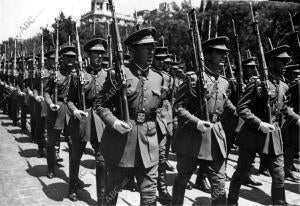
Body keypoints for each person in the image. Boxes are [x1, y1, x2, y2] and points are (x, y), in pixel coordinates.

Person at [94, 27, 163, 205]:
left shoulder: (158, 77)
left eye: (152, 47)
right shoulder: (117, 74)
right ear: (132, 50)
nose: (151, 51)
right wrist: (114, 122)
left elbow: (159, 108)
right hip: (121, 143)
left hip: (148, 142)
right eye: (146, 47)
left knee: (149, 196)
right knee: (112, 191)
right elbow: (100, 104)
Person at [228, 45, 300, 205]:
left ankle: (279, 203)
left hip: (273, 135)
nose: (286, 64)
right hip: (252, 135)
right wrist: (259, 124)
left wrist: (297, 118)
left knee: (279, 173)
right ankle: (231, 201)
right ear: (272, 63)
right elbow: (242, 108)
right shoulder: (258, 83)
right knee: (242, 171)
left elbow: (284, 108)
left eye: (287, 61)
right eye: (283, 61)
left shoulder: (283, 86)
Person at [172, 36, 236, 205]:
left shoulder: (224, 82)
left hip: (215, 136)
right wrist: (197, 122)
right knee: (183, 178)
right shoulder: (192, 79)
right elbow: (178, 108)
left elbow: (224, 103)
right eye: (219, 53)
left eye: (225, 53)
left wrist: (239, 113)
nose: (223, 57)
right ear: (207, 55)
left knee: (219, 183)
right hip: (192, 136)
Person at [67, 38, 107, 204]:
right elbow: (68, 100)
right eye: (95, 53)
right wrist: (75, 111)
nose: (99, 56)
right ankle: (73, 186)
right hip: (82, 119)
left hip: (101, 120)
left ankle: (102, 198)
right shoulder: (78, 76)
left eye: (101, 53)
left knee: (101, 161)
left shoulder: (108, 75)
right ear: (88, 55)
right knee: (76, 156)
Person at [44, 46, 75, 178]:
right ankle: (51, 167)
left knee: (73, 144)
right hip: (56, 110)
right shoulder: (54, 76)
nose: (70, 60)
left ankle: (73, 176)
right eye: (67, 57)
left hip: (71, 111)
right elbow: (46, 92)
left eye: (73, 57)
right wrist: (50, 104)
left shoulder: (77, 75)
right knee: (52, 141)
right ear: (61, 59)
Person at [152, 45, 173, 204]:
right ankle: (131, 179)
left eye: (163, 60)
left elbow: (167, 100)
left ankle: (162, 188)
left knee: (161, 156)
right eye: (158, 59)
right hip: (145, 119)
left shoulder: (167, 77)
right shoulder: (144, 74)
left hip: (161, 120)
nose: (161, 62)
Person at [282, 64, 300, 182]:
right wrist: (295, 117)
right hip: (295, 120)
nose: (297, 76)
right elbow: (286, 102)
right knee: (291, 146)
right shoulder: (296, 84)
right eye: (295, 74)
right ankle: (287, 170)